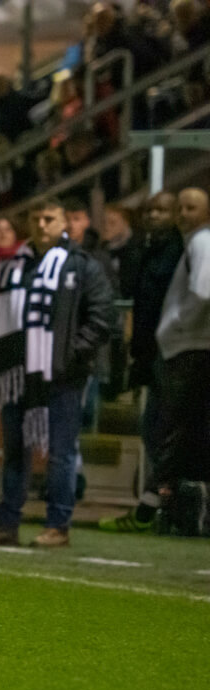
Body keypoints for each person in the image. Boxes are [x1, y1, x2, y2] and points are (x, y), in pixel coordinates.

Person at [0, 196, 116, 549]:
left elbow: (102, 315)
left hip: (62, 374)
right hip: (19, 374)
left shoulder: (81, 266)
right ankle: (7, 522)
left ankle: (58, 524)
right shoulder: (18, 264)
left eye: (49, 218)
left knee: (61, 452)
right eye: (35, 219)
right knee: (15, 451)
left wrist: (70, 354)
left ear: (64, 222)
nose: (42, 225)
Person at [99, 191, 184, 533]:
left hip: (177, 352)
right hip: (154, 351)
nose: (153, 216)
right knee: (155, 431)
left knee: (167, 433)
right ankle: (164, 507)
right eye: (149, 210)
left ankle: (168, 508)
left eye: (162, 210)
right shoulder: (147, 250)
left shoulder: (186, 249)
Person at [153, 187, 210, 535]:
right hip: (190, 345)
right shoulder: (193, 243)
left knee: (175, 432)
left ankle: (166, 508)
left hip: (191, 348)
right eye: (180, 207)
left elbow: (204, 291)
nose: (183, 214)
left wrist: (178, 325)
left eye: (191, 208)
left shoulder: (202, 242)